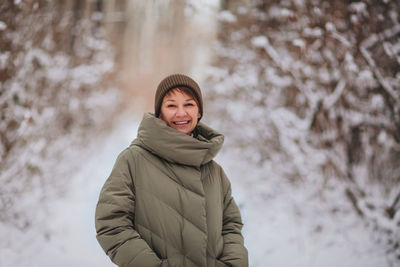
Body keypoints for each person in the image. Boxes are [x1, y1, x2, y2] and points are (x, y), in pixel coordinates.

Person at [95, 74, 248, 267]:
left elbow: (231, 226)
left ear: (199, 111)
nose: (181, 113)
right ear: (160, 113)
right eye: (171, 105)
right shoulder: (133, 160)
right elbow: (111, 224)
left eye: (189, 104)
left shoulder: (214, 172)